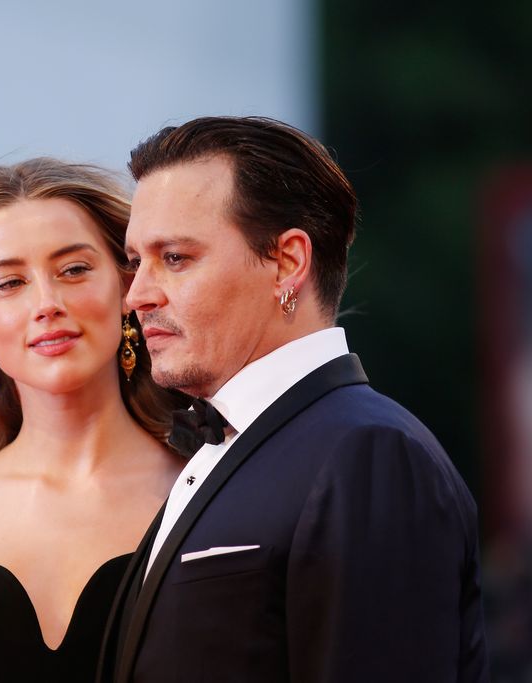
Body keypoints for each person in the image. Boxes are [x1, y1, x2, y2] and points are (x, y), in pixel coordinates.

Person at [96, 116, 489, 683]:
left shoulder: (370, 454)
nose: (136, 295)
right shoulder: (233, 445)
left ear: (287, 263)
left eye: (175, 258)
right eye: (136, 262)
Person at [0, 158, 188, 682]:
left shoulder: (205, 489)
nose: (47, 304)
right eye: (9, 283)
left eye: (73, 270)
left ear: (126, 286)